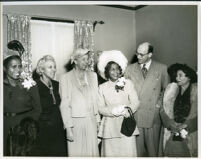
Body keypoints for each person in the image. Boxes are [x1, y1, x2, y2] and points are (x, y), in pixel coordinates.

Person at [124, 42, 169, 157]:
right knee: (138, 152)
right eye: (137, 53)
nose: (138, 57)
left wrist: (158, 105)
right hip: (136, 114)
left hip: (153, 115)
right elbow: (125, 92)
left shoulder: (162, 68)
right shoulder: (129, 69)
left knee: (152, 150)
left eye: (142, 54)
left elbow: (167, 90)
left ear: (150, 54)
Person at [97, 50, 140, 157]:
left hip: (127, 125)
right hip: (109, 127)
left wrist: (128, 110)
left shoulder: (128, 83)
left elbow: (135, 102)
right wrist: (112, 111)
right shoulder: (102, 88)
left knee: (127, 153)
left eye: (118, 69)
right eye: (112, 69)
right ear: (107, 71)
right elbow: (100, 107)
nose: (116, 72)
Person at [59, 48, 100, 157]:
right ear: (75, 61)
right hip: (75, 123)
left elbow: (96, 100)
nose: (86, 62)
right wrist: (68, 128)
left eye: (87, 59)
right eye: (83, 59)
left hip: (91, 120)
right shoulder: (65, 78)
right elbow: (64, 105)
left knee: (92, 153)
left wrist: (98, 122)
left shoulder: (93, 76)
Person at [3, 50, 41, 156]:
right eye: (13, 66)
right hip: (5, 128)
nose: (18, 70)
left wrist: (28, 127)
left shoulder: (29, 84)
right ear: (4, 68)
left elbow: (38, 109)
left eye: (20, 66)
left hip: (25, 129)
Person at [160, 64, 197, 157]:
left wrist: (187, 125)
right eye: (176, 75)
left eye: (180, 75)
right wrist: (169, 123)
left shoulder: (197, 91)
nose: (177, 78)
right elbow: (162, 108)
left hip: (189, 132)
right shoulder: (171, 89)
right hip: (172, 130)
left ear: (189, 77)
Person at [35, 55, 67, 156]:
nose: (54, 70)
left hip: (59, 129)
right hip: (43, 130)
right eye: (50, 67)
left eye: (54, 67)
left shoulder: (58, 85)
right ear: (41, 69)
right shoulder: (35, 86)